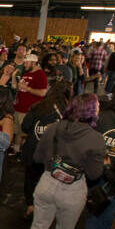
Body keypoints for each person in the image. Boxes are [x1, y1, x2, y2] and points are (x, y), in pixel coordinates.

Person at [17, 94, 105, 229]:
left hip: (47, 182)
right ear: (92, 111)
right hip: (73, 189)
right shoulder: (96, 139)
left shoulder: (54, 128)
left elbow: (38, 157)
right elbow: (94, 174)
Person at [20, 81, 73, 219]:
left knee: (30, 179)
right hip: (52, 156)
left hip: (33, 150)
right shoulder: (67, 112)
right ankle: (46, 210)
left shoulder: (38, 106)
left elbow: (25, 126)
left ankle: (31, 206)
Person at [12, 53, 47, 152]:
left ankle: (23, 153)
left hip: (28, 110)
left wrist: (27, 88)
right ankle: (16, 151)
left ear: (34, 63)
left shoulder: (41, 75)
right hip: (19, 108)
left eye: (26, 62)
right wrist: (14, 76)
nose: (24, 64)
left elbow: (42, 93)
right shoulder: (27, 73)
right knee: (18, 132)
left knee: (24, 133)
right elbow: (17, 87)